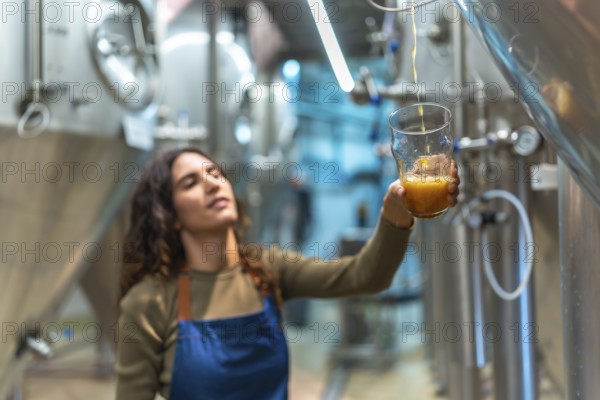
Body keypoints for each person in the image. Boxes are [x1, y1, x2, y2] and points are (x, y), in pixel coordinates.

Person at [115, 146, 460, 399]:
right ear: (170, 216)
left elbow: (364, 276)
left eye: (215, 174)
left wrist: (395, 212)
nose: (211, 185)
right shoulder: (151, 301)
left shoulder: (265, 270)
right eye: (190, 183)